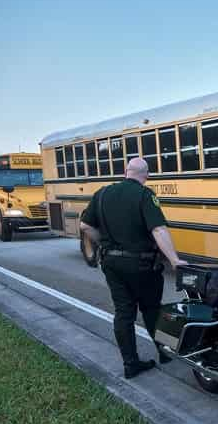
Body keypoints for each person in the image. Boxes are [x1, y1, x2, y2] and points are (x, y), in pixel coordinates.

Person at [80, 158, 187, 379]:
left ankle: (130, 364)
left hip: (112, 264)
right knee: (152, 309)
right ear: (146, 175)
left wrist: (103, 244)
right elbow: (158, 230)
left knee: (124, 313)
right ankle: (164, 352)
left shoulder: (102, 194)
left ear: (125, 172)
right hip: (142, 265)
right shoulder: (144, 195)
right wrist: (175, 260)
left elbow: (85, 225)